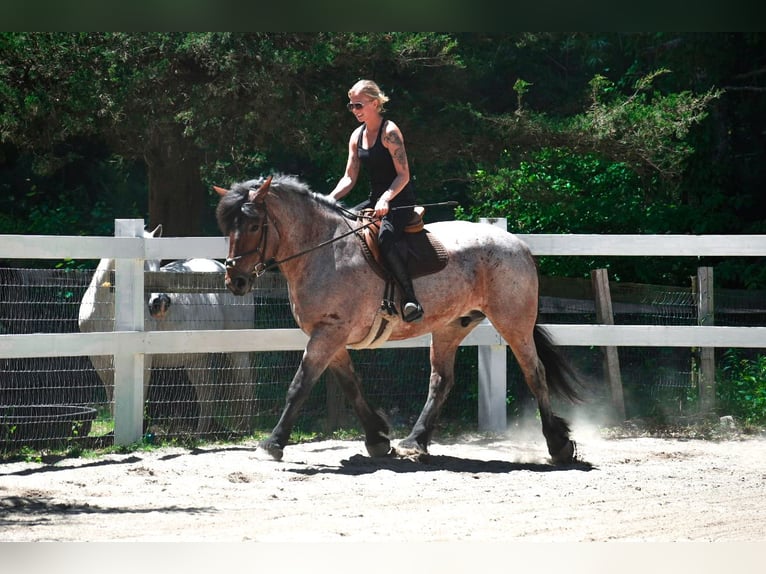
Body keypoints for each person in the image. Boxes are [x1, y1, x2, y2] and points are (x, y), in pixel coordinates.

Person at [329, 79, 424, 323]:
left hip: (399, 199)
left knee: (385, 238)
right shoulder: (356, 135)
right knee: (343, 225)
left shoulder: (390, 132)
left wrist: (386, 199)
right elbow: (349, 178)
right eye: (351, 106)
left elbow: (404, 175)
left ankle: (410, 298)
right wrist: (329, 199)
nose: (355, 110)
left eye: (359, 105)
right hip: (375, 199)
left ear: (374, 102)